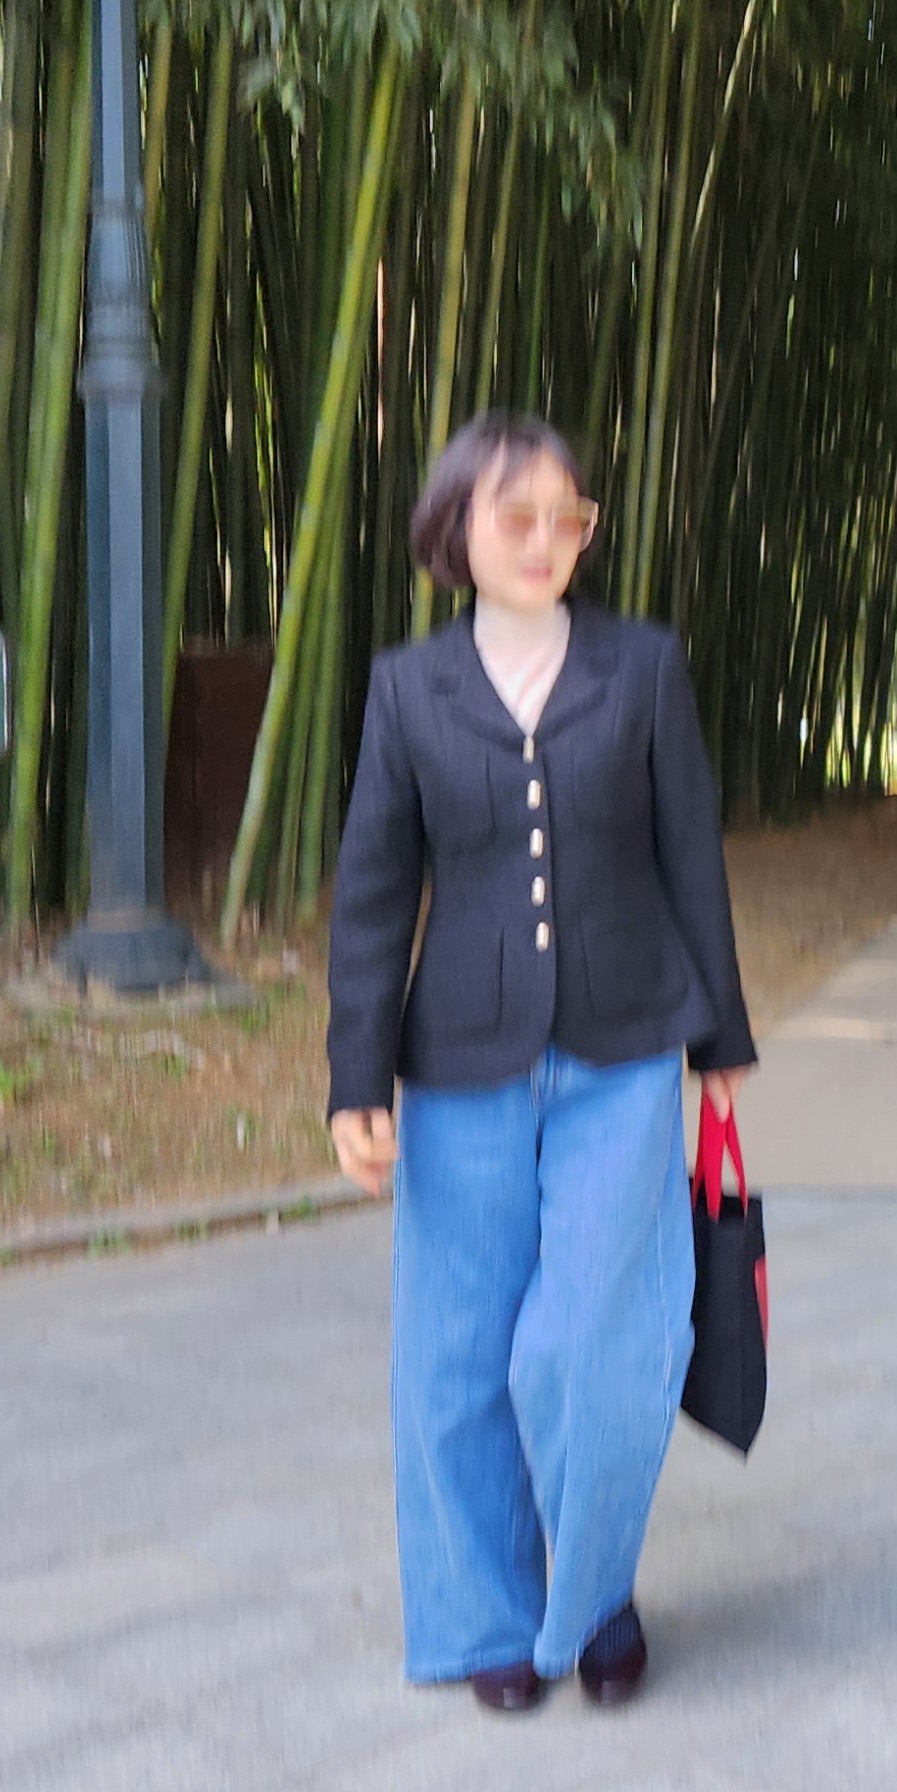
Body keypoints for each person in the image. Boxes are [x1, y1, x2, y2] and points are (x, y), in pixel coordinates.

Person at [325, 410, 757, 1713]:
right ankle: (486, 1622)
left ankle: (597, 1594)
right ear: (453, 529)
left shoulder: (644, 666)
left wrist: (721, 1038)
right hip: (458, 1059)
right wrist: (355, 1080)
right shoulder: (408, 688)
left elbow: (690, 852)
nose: (545, 538)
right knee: (455, 1357)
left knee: (596, 1343)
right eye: (516, 515)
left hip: (626, 1050)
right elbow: (372, 893)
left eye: (568, 515)